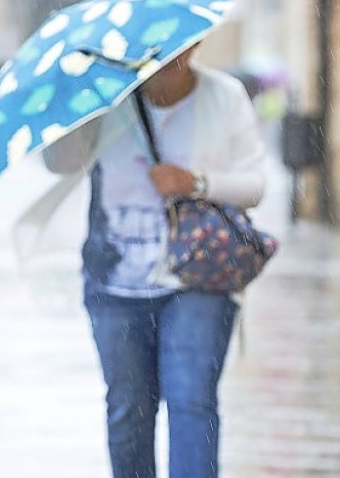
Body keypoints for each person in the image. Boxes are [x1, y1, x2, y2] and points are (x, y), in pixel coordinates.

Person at [44, 46, 266, 478]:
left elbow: (255, 184)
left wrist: (196, 182)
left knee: (192, 402)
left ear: (197, 44)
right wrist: (72, 102)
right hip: (114, 284)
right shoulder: (105, 103)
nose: (169, 59)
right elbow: (60, 163)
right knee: (128, 411)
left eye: (180, 48)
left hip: (197, 277)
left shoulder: (224, 95)